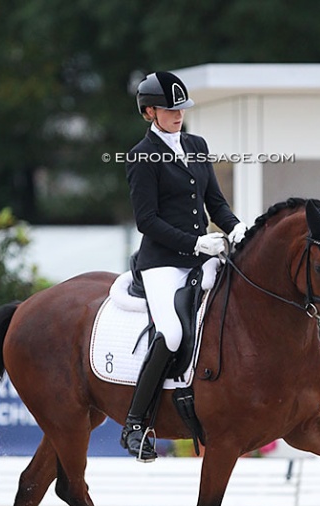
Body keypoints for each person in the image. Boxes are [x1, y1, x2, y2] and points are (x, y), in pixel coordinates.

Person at [121, 70, 247, 462]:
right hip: (162, 263)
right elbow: (148, 221)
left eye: (181, 108)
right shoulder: (142, 156)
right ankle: (136, 424)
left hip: (202, 254)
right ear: (149, 112)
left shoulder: (196, 144)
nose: (178, 115)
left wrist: (236, 227)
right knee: (173, 333)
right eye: (170, 109)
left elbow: (215, 201)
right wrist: (195, 242)